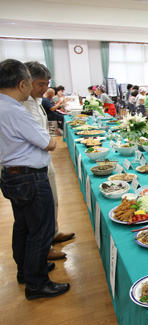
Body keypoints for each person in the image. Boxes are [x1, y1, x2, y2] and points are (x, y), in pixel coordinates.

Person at [0, 58, 70, 300]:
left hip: (13, 174)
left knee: (24, 227)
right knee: (40, 230)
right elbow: (48, 142)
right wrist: (50, 139)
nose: (34, 89)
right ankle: (37, 283)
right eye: (33, 83)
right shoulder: (15, 110)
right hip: (28, 177)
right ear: (22, 84)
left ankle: (27, 271)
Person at [22, 62, 75, 261]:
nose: (45, 89)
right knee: (39, 210)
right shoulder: (21, 105)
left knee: (52, 200)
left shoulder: (37, 101)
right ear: (26, 83)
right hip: (31, 165)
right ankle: (45, 247)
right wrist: (50, 141)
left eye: (47, 83)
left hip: (43, 161)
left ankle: (53, 232)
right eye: (41, 84)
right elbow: (46, 142)